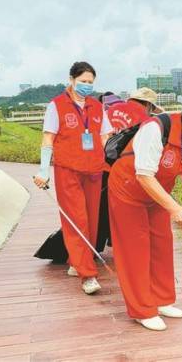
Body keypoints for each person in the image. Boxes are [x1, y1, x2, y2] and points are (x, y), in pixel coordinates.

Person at [108, 95, 182, 331]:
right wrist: (174, 208)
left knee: (161, 244)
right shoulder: (156, 129)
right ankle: (142, 309)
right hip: (127, 191)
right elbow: (143, 175)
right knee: (135, 249)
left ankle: (161, 300)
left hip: (157, 195)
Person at [33, 61, 113, 295]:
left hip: (94, 171)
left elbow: (105, 137)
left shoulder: (97, 107)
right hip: (68, 170)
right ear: (71, 79)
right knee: (76, 220)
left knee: (91, 220)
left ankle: (75, 260)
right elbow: (48, 139)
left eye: (90, 82)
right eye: (83, 82)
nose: (86, 86)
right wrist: (43, 171)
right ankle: (88, 275)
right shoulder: (56, 106)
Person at [95, 87, 164, 253]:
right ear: (148, 105)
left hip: (99, 167)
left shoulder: (109, 111)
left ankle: (93, 249)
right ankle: (122, 248)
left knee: (98, 210)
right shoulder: (146, 120)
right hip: (123, 171)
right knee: (122, 213)